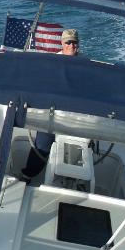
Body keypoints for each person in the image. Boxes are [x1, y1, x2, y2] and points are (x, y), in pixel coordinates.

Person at [21, 28, 79, 183]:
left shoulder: (85, 65)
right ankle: (27, 176)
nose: (72, 46)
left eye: (74, 42)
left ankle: (71, 181)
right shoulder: (51, 64)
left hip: (75, 115)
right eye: (68, 42)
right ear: (62, 44)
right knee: (41, 148)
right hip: (52, 113)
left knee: (76, 152)